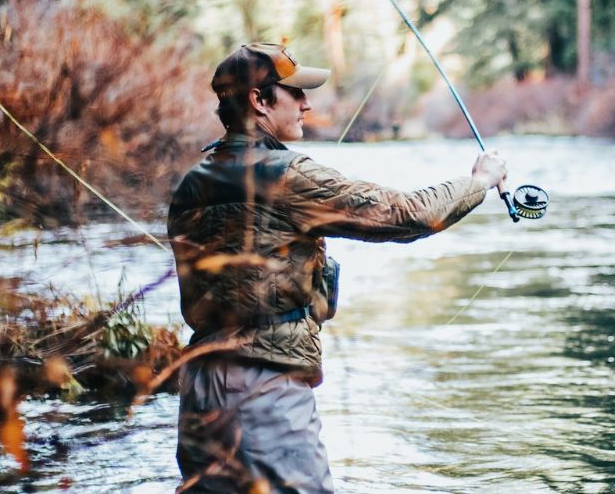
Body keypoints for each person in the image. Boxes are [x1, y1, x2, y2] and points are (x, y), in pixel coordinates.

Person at [167, 42, 507, 493]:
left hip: (200, 388)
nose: (307, 103)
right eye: (295, 93)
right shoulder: (286, 175)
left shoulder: (194, 181)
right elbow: (405, 216)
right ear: (258, 100)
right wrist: (480, 181)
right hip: (262, 390)